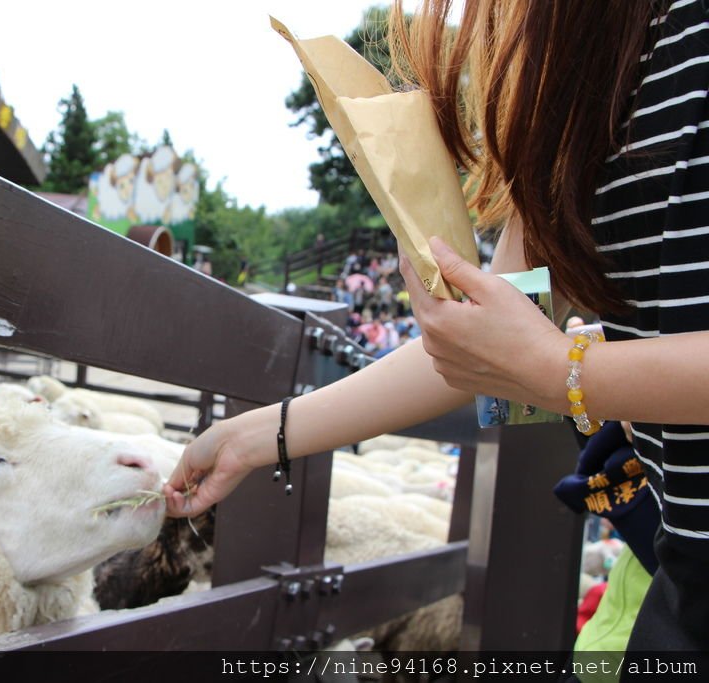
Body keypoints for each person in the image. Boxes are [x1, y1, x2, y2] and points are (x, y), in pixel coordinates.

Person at [165, 0, 709, 665]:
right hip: (687, 577)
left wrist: (561, 372)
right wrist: (255, 435)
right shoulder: (587, 58)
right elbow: (489, 343)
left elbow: (533, 360)